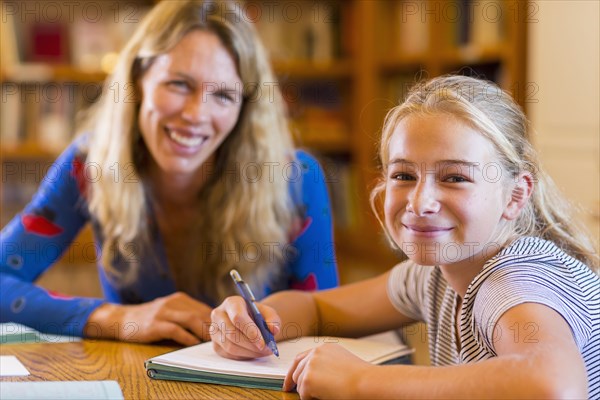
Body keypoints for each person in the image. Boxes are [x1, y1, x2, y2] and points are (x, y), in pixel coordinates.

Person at [211, 75, 599, 398]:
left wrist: (361, 380)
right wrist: (258, 321)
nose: (421, 201)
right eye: (404, 175)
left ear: (514, 195)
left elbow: (555, 388)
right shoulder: (433, 274)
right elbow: (319, 310)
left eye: (455, 178)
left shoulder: (515, 278)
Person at [0, 0, 338, 346]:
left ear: (245, 108)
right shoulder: (89, 165)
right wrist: (116, 318)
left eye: (223, 94)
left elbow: (329, 319)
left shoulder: (296, 178)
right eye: (179, 84)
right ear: (137, 81)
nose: (196, 114)